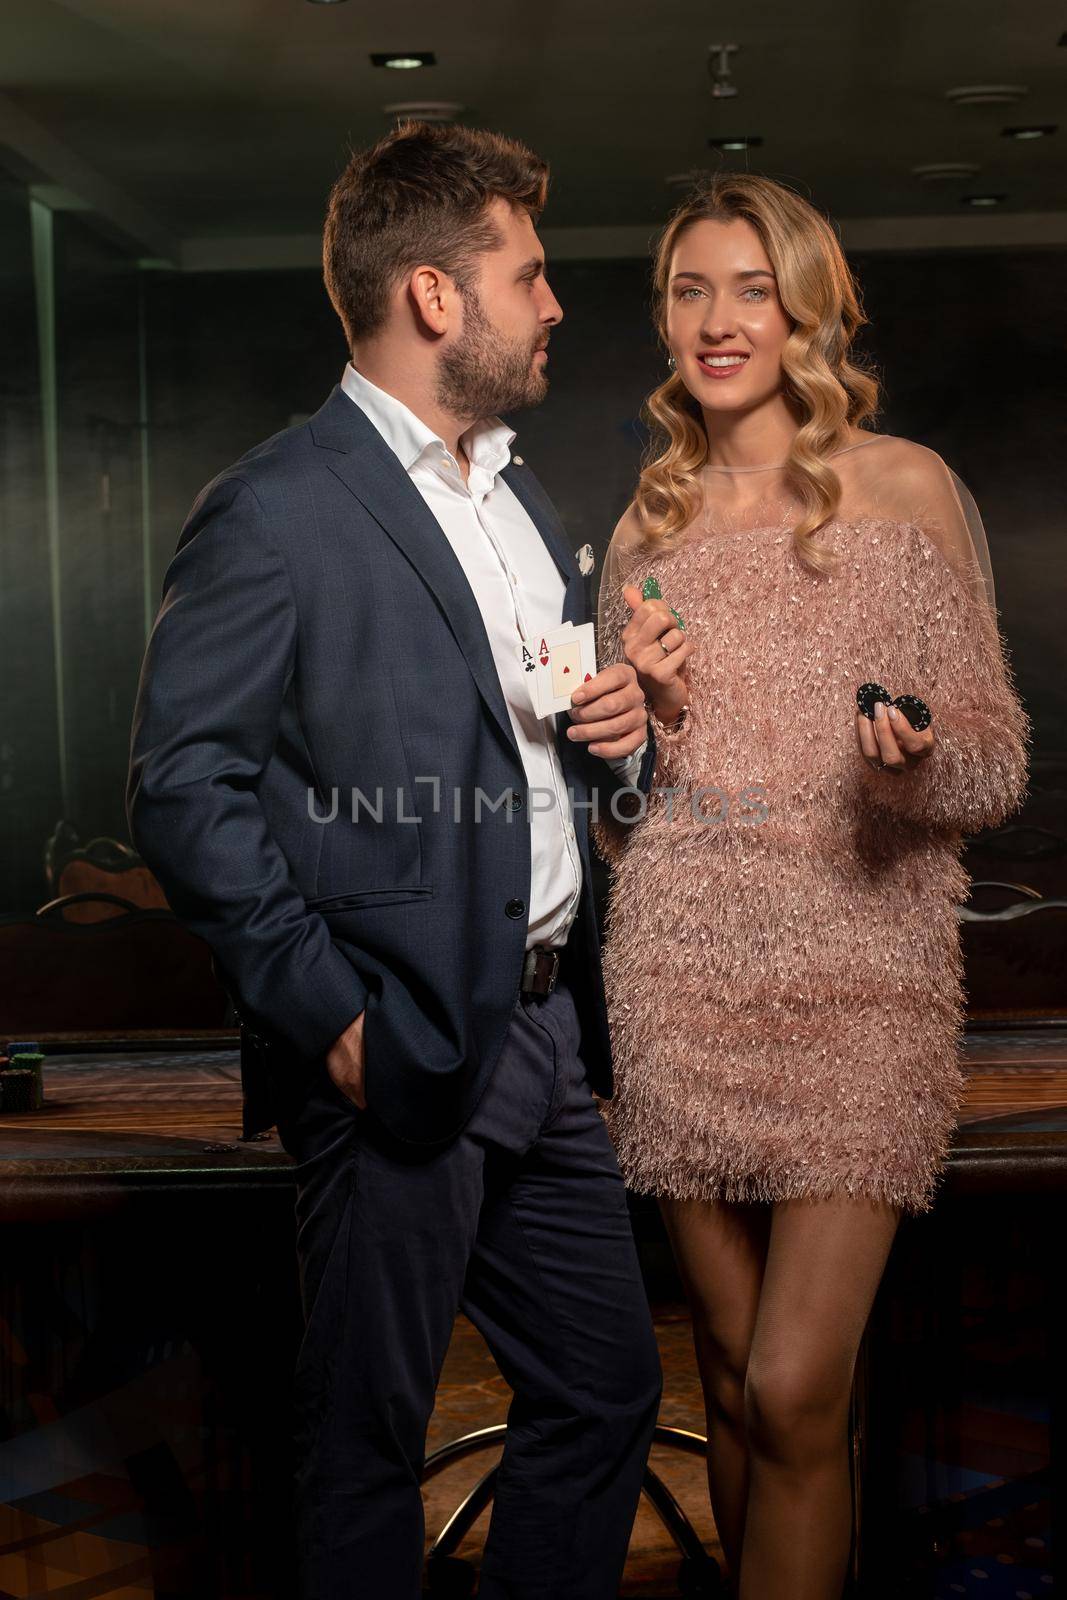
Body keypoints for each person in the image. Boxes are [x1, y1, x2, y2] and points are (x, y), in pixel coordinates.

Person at [126, 121, 664, 1600]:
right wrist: (338, 1023)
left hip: (548, 1036)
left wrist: (610, 722)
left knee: (608, 1389)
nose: (556, 304)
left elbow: (530, 734)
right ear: (436, 296)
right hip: (402, 1041)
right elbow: (185, 788)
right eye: (529, 275)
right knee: (363, 1446)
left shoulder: (514, 495)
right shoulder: (279, 507)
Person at [592, 172, 1031, 1600]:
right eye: (689, 289)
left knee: (792, 1388)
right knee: (724, 1375)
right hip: (678, 986)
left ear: (805, 309)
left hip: (862, 985)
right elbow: (616, 818)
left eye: (751, 289)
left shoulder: (900, 489)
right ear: (663, 314)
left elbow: (993, 767)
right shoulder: (640, 531)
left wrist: (906, 761)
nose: (719, 322)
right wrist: (635, 727)